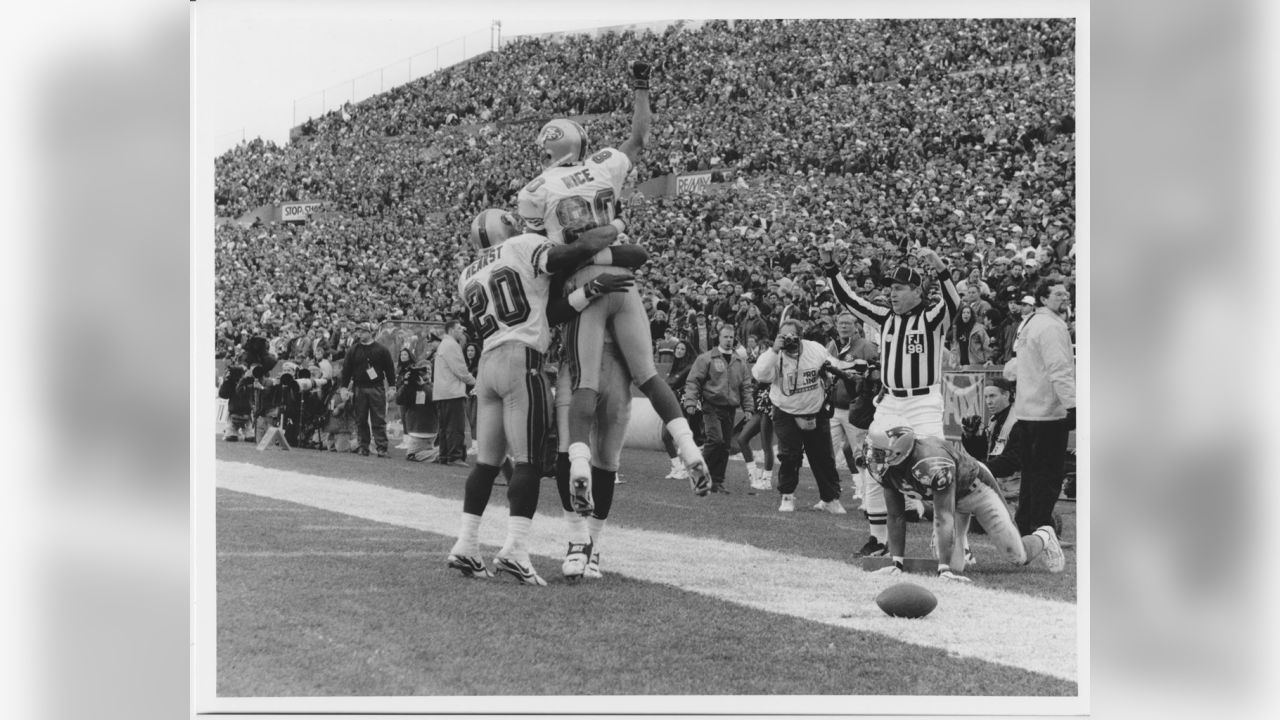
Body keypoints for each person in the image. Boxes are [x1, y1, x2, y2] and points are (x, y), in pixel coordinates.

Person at [516, 60, 708, 504]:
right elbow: (640, 137)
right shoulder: (603, 165)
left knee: (584, 383)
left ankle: (579, 464)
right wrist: (641, 86)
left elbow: (544, 254)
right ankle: (687, 446)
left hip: (584, 284)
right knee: (647, 374)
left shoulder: (535, 189)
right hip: (624, 281)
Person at [446, 208, 634, 585]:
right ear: (508, 227)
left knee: (486, 463)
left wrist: (587, 292)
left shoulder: (467, 274)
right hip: (522, 360)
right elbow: (571, 253)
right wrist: (614, 228)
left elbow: (540, 310)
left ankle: (466, 544)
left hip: (488, 364)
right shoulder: (523, 246)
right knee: (529, 461)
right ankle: (515, 549)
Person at [821, 244, 960, 556]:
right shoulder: (884, 318)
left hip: (923, 401)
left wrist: (939, 265)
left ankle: (947, 539)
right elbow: (848, 300)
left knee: (936, 468)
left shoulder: (931, 319)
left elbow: (953, 300)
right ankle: (879, 539)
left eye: (898, 288)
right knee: (874, 464)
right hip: (889, 402)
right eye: (890, 289)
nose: (892, 294)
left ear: (916, 290)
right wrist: (830, 267)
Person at [866, 423, 1065, 582]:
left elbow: (943, 517)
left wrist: (943, 570)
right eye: (874, 451)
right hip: (949, 498)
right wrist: (896, 563)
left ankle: (1044, 535)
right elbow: (895, 515)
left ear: (900, 453)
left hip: (977, 490)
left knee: (1016, 556)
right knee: (954, 567)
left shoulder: (932, 462)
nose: (873, 457)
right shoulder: (887, 468)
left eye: (880, 453)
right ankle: (961, 548)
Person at [751, 319, 855, 513]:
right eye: (784, 335)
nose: (788, 340)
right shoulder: (774, 355)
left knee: (823, 456)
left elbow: (831, 365)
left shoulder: (814, 348)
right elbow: (759, 375)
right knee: (790, 455)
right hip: (786, 410)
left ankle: (830, 498)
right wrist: (774, 350)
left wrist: (834, 372)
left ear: (800, 335)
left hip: (815, 409)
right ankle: (787, 496)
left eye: (792, 335)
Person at [1005, 280, 1077, 537]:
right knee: (1047, 478)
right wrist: (1073, 405)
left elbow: (1013, 367)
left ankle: (1025, 528)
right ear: (1043, 299)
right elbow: (1059, 369)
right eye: (1058, 294)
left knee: (1030, 477)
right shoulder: (1050, 327)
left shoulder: (1030, 323)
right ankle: (1041, 532)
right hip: (1048, 414)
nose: (1065, 297)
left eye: (1067, 293)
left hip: (1027, 412)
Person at [683, 325, 755, 495]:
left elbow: (746, 386)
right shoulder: (706, 358)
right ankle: (697, 474)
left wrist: (748, 407)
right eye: (726, 337)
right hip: (711, 405)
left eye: (731, 337)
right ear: (719, 338)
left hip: (730, 408)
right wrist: (691, 402)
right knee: (715, 440)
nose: (729, 340)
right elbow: (693, 381)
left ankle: (717, 482)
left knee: (725, 447)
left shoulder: (740, 362)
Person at [825, 312, 878, 495]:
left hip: (855, 410)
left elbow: (875, 375)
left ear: (856, 326)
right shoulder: (832, 346)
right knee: (826, 453)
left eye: (848, 323)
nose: (844, 326)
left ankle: (865, 494)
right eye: (841, 323)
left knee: (860, 453)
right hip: (833, 408)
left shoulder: (866, 347)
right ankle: (830, 495)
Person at [961, 376, 1023, 500]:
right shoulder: (995, 420)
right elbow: (982, 453)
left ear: (1006, 395)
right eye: (986, 397)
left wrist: (980, 469)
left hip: (1015, 488)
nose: (988, 401)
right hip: (996, 484)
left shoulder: (1019, 421)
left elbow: (1012, 460)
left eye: (992, 396)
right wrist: (970, 437)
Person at [340, 322, 396, 457]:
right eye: (358, 331)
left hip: (377, 388)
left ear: (371, 333)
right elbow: (346, 370)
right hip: (359, 388)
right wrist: (343, 387)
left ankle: (381, 448)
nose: (360, 334)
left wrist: (393, 387)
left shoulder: (382, 350)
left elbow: (389, 369)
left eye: (363, 331)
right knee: (361, 420)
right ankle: (363, 447)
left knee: (379, 420)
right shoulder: (353, 350)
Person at [432, 320, 476, 466]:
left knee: (444, 427)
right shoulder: (452, 345)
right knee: (455, 427)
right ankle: (455, 456)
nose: (462, 330)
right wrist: (475, 382)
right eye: (458, 328)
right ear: (451, 330)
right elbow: (460, 371)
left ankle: (444, 455)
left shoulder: (443, 345)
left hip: (441, 392)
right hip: (452, 392)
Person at [661, 339, 698, 480]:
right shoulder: (674, 366)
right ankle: (677, 467)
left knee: (671, 436)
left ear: (687, 351)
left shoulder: (688, 367)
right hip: (671, 405)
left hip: (681, 407)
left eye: (682, 349)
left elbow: (672, 383)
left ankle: (683, 467)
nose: (679, 351)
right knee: (666, 437)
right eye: (678, 349)